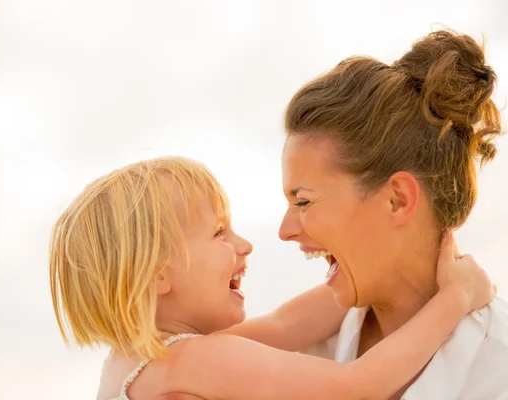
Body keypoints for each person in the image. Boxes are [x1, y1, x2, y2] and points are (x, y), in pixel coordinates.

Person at [49, 156, 494, 400]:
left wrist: (362, 269)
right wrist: (454, 298)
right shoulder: (195, 362)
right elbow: (355, 387)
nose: (244, 245)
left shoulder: (137, 363)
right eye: (218, 232)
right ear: (157, 274)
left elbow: (287, 325)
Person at [279, 29, 508, 399]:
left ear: (397, 199)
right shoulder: (293, 356)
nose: (285, 231)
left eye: (303, 201)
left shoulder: (499, 365)